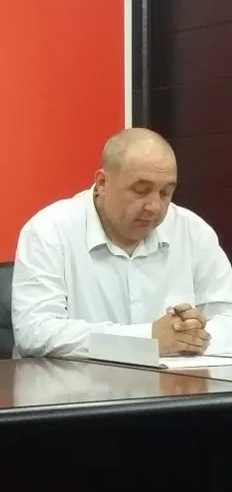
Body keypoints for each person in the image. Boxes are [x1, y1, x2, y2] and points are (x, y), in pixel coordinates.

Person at [12, 127, 232, 358]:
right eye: (141, 191)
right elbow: (35, 333)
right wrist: (148, 339)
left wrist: (193, 336)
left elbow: (227, 316)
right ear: (102, 183)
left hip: (174, 379)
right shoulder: (50, 231)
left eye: (165, 193)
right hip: (79, 381)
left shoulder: (192, 231)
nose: (154, 206)